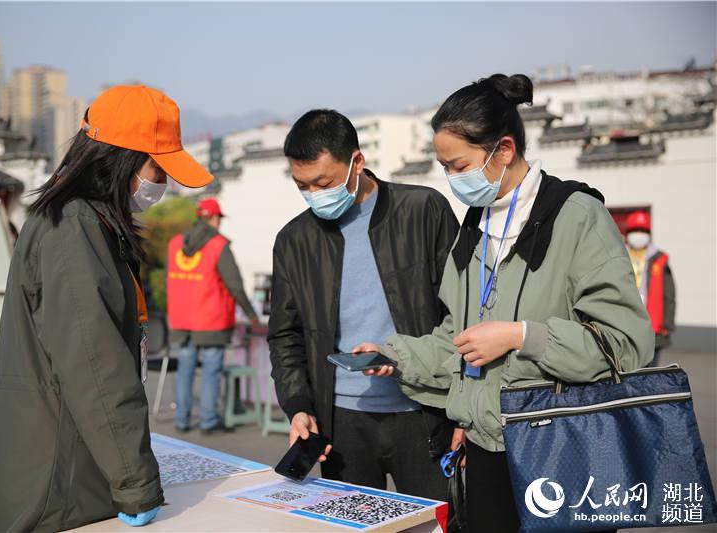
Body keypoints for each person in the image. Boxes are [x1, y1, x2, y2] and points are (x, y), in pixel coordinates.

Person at [356, 74, 654, 532]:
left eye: (459, 165)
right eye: (445, 167)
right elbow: (458, 340)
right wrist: (397, 356)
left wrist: (522, 336)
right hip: (487, 449)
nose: (453, 179)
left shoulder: (576, 217)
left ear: (505, 150)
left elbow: (626, 344)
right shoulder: (474, 226)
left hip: (563, 449)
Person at [0, 85, 213, 532]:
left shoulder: (85, 221)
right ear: (122, 159)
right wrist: (137, 484)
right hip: (54, 489)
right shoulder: (76, 227)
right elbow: (96, 368)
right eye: (159, 166)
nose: (164, 182)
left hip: (64, 470)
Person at [268, 109, 458, 500]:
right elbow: (285, 336)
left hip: (423, 411)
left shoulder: (423, 211)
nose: (314, 195)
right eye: (302, 186)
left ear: (357, 161)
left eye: (323, 182)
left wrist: (466, 409)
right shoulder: (294, 240)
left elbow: (463, 312)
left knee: (438, 524)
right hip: (341, 423)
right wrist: (299, 406)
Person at [167, 197, 259, 434]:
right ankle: (208, 421)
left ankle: (182, 419)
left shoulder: (175, 243)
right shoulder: (218, 245)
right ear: (215, 218)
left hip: (182, 318)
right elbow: (235, 284)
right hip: (211, 319)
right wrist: (250, 313)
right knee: (211, 369)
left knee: (185, 367)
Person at [624, 210, 676, 366]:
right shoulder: (618, 256)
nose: (639, 234)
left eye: (643, 231)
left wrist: (667, 323)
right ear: (627, 233)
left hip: (653, 327)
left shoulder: (659, 259)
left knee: (650, 372)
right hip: (626, 325)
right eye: (635, 230)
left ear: (649, 234)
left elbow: (669, 293)